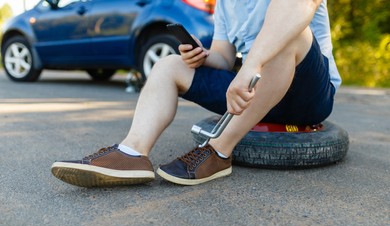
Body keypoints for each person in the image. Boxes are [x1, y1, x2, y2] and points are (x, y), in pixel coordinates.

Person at [51, 0, 341, 187]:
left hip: (308, 94)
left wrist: (252, 64)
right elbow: (224, 58)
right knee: (168, 65)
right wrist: (200, 57)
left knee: (289, 38)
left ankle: (217, 151)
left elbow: (301, 6)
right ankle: (131, 153)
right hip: (256, 89)